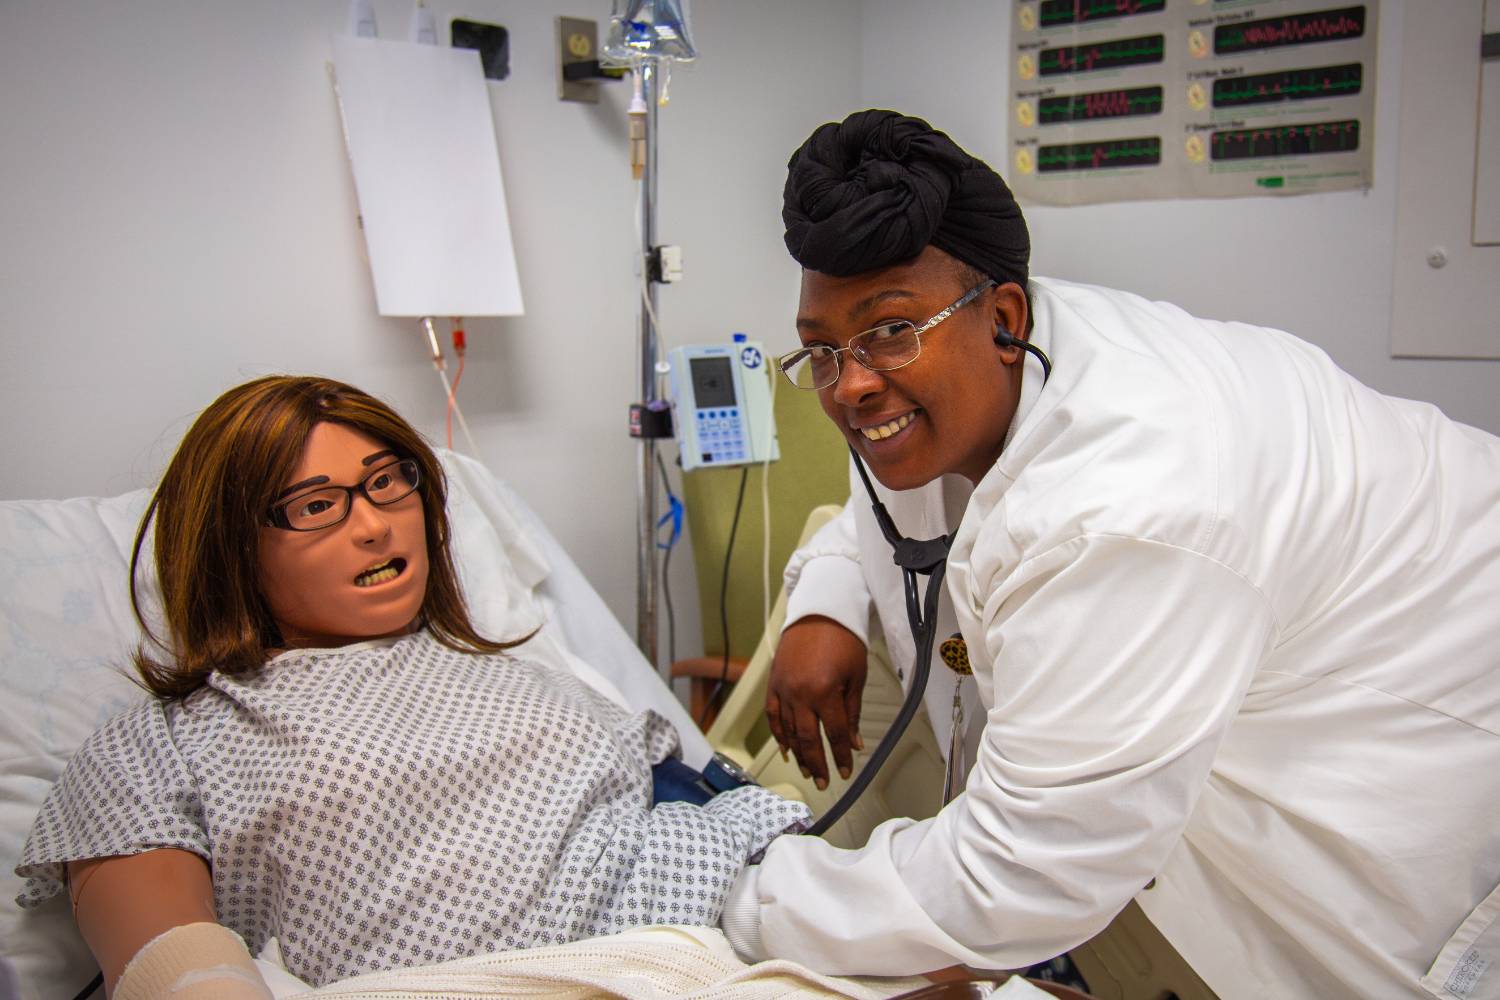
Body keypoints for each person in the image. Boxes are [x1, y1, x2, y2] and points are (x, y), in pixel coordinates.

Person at [717, 110, 1500, 998]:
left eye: (890, 332)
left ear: (1003, 319)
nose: (852, 385)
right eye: (821, 351)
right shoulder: (987, 364)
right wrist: (824, 601)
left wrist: (739, 899)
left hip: (1436, 766)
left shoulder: (1131, 498)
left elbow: (1022, 872)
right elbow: (880, 497)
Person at [16, 375, 809, 998]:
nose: (374, 524)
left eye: (387, 482)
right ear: (231, 549)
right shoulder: (163, 744)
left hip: (713, 950)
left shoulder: (533, 675)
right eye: (316, 505)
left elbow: (699, 811)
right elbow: (182, 975)